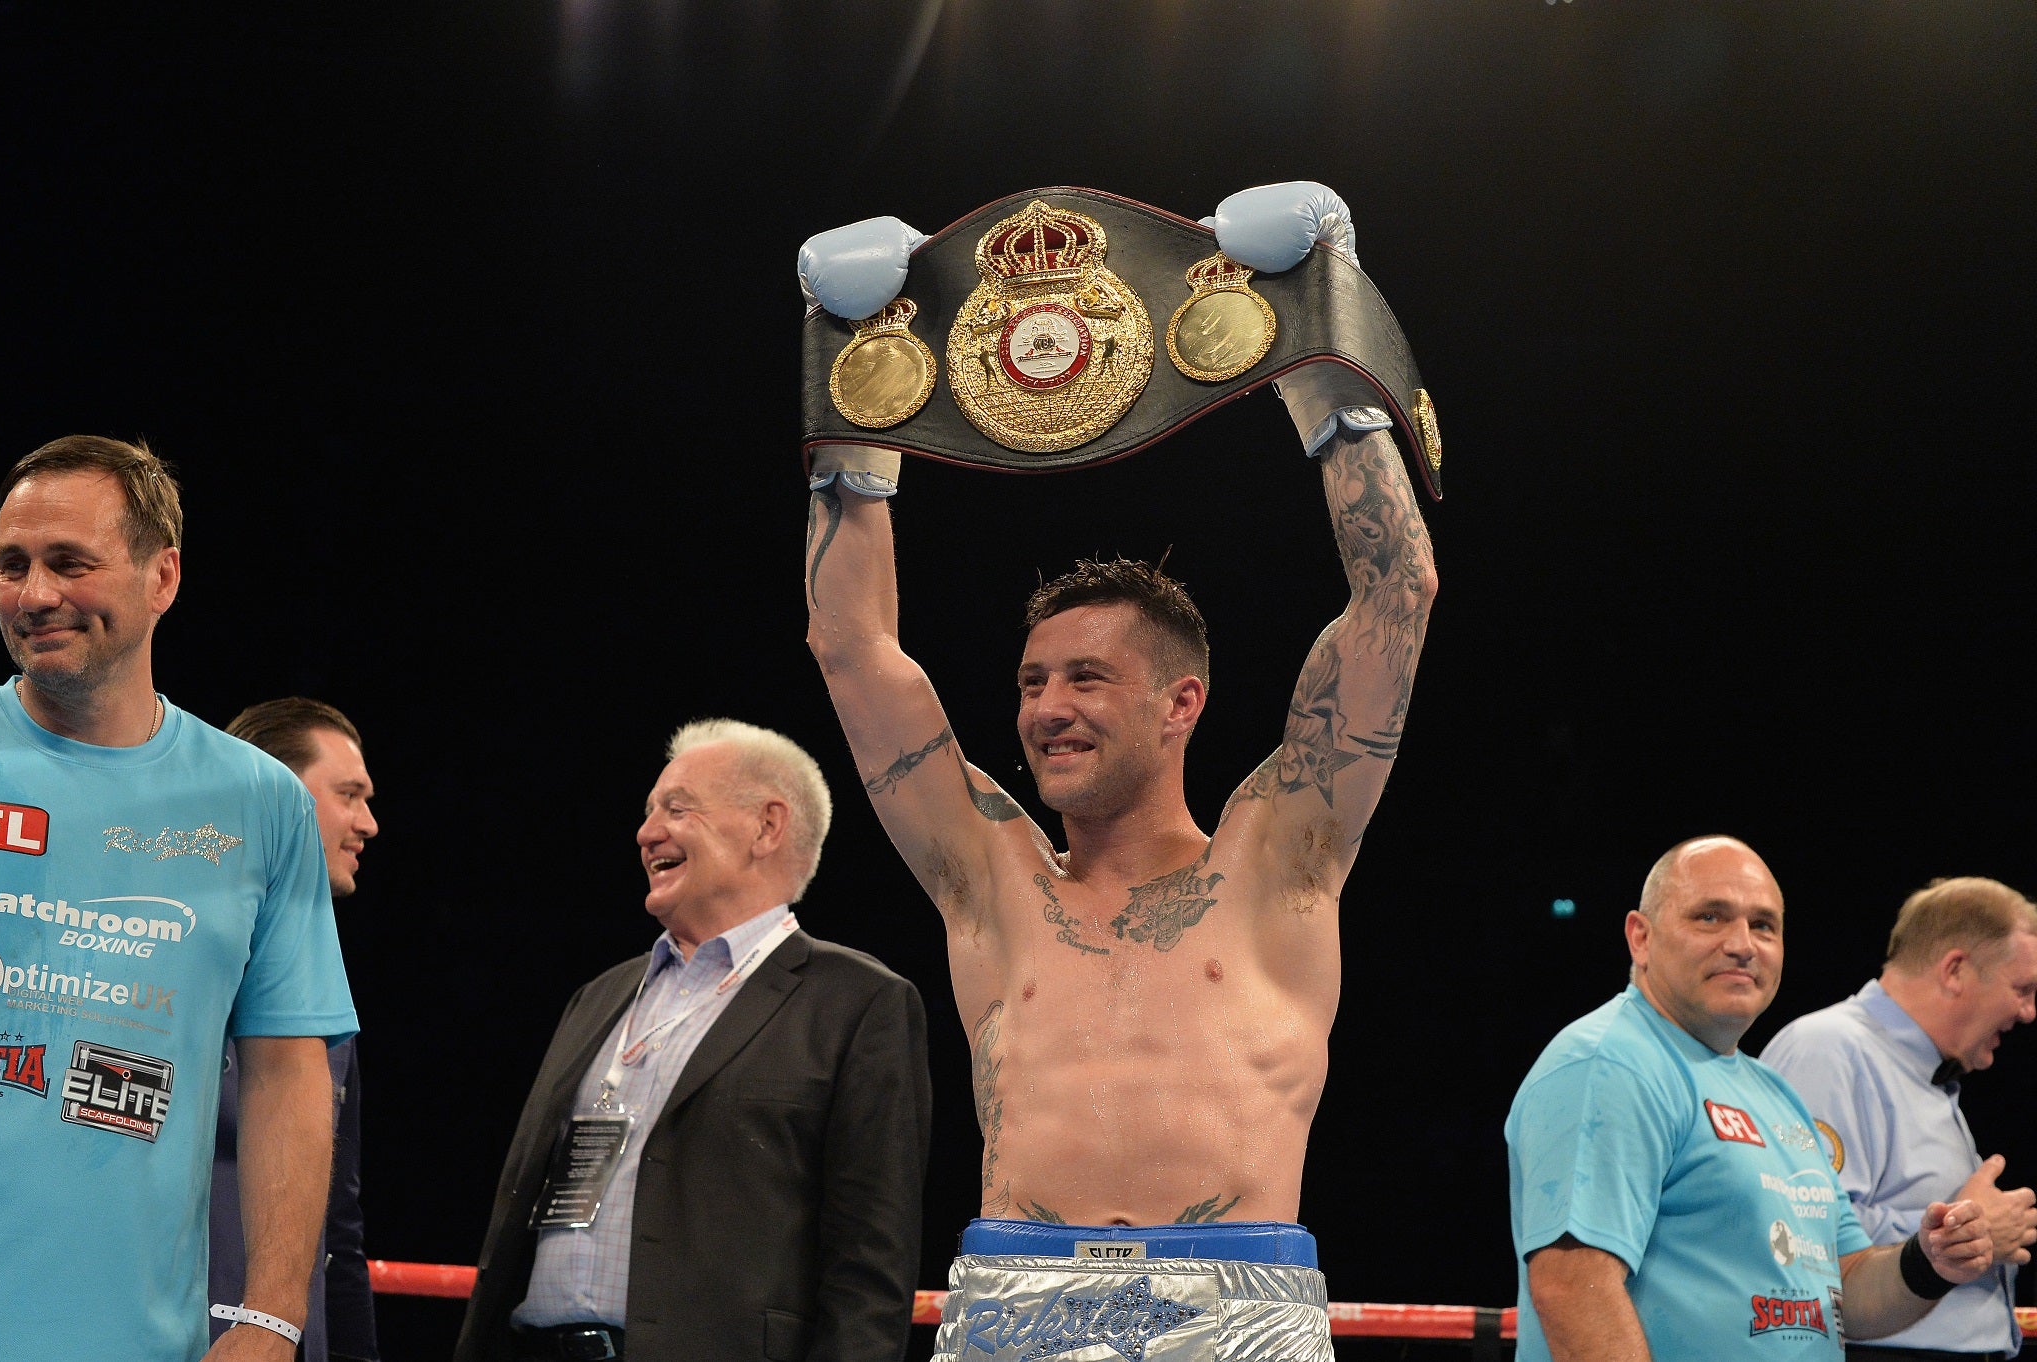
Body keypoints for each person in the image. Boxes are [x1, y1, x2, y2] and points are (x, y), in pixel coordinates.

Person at [800, 182, 1437, 1359]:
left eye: (1086, 680)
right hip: (1013, 1298)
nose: (1046, 709)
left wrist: (1317, 345)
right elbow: (852, 651)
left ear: (1179, 702)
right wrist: (848, 395)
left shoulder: (1276, 858)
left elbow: (1393, 598)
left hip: (1229, 1305)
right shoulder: (990, 874)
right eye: (1033, 682)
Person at [0, 434, 358, 1362]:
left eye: (70, 563)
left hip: (136, 1340)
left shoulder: (261, 803)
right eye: (12, 564)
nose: (35, 595)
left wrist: (271, 1322)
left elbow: (287, 1070)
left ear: (163, 577)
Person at [454, 719, 933, 1362]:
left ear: (767, 827)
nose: (647, 833)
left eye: (677, 810)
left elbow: (870, 1269)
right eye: (650, 812)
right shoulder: (598, 996)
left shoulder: (858, 1002)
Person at [1506, 836, 1997, 1362]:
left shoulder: (1772, 1092)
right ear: (1640, 937)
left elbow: (1845, 1285)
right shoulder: (1611, 1064)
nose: (1742, 944)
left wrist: (1928, 1261)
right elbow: (1574, 1288)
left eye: (1763, 925)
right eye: (1710, 917)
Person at [1763, 876, 2037, 1361]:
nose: (2029, 1011)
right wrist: (1966, 1233)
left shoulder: (1924, 1074)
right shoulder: (1829, 1049)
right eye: (2022, 988)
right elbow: (1797, 1234)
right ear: (1955, 970)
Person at [213, 698, 382, 1362]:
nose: (367, 822)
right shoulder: (152, 954)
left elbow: (339, 1233)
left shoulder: (320, 1005)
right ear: (274, 790)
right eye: (349, 795)